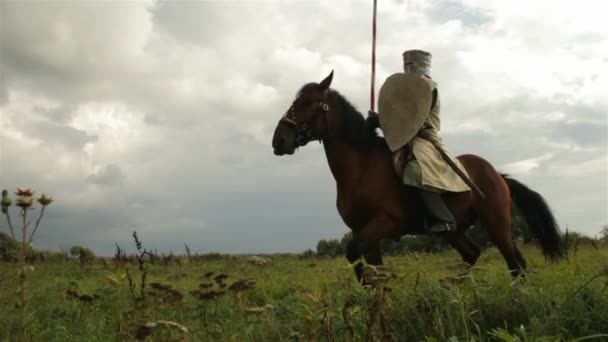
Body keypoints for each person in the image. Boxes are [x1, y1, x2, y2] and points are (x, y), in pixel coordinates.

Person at [368, 49, 471, 233]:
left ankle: (444, 219)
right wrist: (379, 119)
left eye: (411, 64)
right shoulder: (406, 91)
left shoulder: (428, 88)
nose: (408, 68)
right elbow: (396, 117)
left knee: (416, 169)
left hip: (425, 139)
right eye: (406, 64)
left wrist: (381, 121)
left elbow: (410, 119)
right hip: (404, 138)